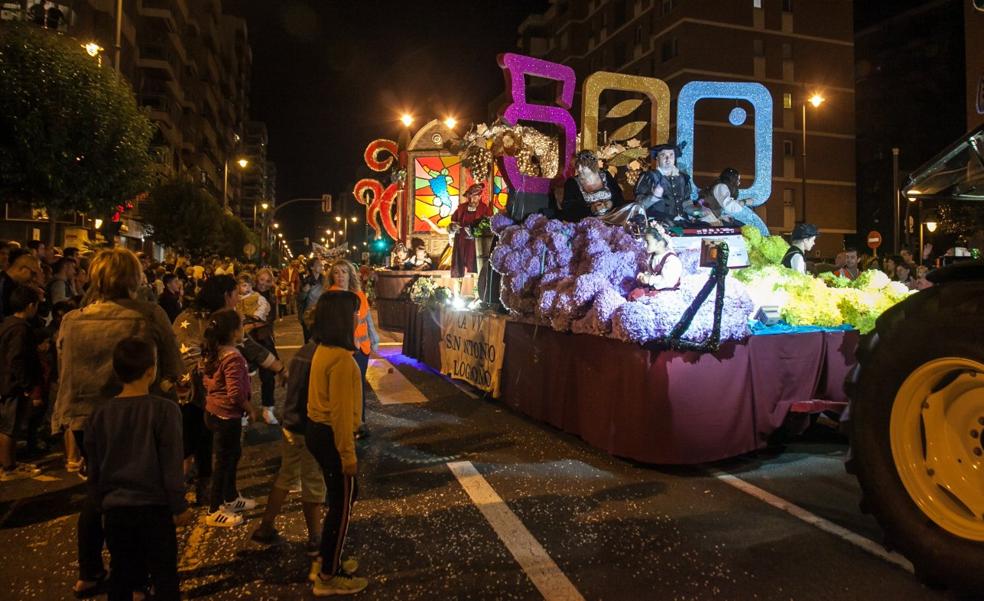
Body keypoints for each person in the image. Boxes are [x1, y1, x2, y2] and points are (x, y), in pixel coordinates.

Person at [55, 247, 183, 598]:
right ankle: (141, 575)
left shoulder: (73, 319)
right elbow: (173, 364)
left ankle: (91, 571)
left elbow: (62, 372)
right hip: (141, 413)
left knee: (98, 492)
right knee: (142, 495)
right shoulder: (149, 314)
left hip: (86, 419)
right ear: (135, 278)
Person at [84, 337, 192, 601]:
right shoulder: (164, 410)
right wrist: (179, 505)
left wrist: (99, 502)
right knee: (164, 573)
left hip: (116, 509)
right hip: (154, 509)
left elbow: (94, 464)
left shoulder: (99, 414)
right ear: (150, 371)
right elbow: (171, 464)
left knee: (121, 574)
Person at [173, 275, 285, 507]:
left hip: (215, 401)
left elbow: (249, 346)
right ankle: (186, 501)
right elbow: (189, 362)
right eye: (235, 294)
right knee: (196, 448)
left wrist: (279, 368)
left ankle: (225, 495)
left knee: (226, 452)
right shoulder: (192, 320)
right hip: (195, 398)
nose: (238, 299)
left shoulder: (226, 319)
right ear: (226, 295)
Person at [305, 291, 368, 596]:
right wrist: (348, 455)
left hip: (318, 431)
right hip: (332, 435)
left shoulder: (324, 349)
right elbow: (342, 415)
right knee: (342, 504)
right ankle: (328, 575)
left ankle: (325, 558)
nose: (357, 318)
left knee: (341, 497)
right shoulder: (342, 361)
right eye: (353, 313)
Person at [202, 309, 258, 527]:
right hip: (227, 416)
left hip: (214, 411)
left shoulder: (214, 352)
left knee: (232, 456)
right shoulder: (233, 356)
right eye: (241, 325)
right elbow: (235, 393)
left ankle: (231, 497)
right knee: (224, 461)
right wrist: (249, 407)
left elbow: (207, 382)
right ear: (234, 331)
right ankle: (215, 509)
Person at [327, 260, 379, 437]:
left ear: (350, 274)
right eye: (336, 272)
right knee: (341, 388)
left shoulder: (359, 294)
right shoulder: (329, 296)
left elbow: (367, 319)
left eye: (344, 272)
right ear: (332, 276)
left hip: (361, 350)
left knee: (358, 388)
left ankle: (359, 423)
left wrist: (374, 338)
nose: (340, 276)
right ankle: (341, 424)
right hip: (340, 350)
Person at [0, 285, 43, 481]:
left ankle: (11, 462)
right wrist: (27, 386)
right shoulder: (20, 329)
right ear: (30, 306)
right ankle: (8, 467)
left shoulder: (8, 323)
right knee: (11, 426)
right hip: (13, 385)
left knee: (10, 426)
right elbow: (17, 359)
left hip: (7, 383)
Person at [634, 143, 693, 222]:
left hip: (682, 222)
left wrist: (696, 212)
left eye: (671, 155)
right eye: (663, 155)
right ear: (657, 158)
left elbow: (686, 203)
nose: (668, 158)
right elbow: (638, 206)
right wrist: (654, 197)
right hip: (658, 223)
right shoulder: (649, 176)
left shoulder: (683, 178)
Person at [561, 150, 625, 222]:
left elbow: (619, 197)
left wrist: (611, 203)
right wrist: (591, 209)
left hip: (612, 217)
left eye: (583, 166)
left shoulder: (606, 175)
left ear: (592, 166)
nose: (579, 169)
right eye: (577, 165)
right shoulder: (571, 183)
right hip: (588, 222)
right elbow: (568, 210)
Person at [253, 268, 281, 425]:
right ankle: (243, 411)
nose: (263, 283)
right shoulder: (247, 293)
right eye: (261, 280)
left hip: (264, 340)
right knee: (243, 376)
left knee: (268, 375)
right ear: (256, 279)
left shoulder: (271, 297)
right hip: (246, 339)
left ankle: (268, 408)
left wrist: (255, 323)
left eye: (267, 280)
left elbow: (270, 318)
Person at [449, 183, 494, 278]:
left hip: (476, 244)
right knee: (459, 267)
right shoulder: (461, 208)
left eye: (475, 197)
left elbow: (489, 227)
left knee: (475, 266)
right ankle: (458, 290)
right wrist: (453, 227)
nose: (472, 200)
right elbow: (451, 224)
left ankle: (476, 288)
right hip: (461, 242)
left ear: (480, 196)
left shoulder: (485, 209)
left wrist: (476, 230)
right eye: (470, 197)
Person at [628, 225, 683, 301]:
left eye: (647, 242)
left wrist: (650, 279)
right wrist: (645, 276)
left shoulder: (671, 260)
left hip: (666, 290)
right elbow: (652, 272)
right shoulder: (653, 256)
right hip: (654, 287)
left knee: (642, 299)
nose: (644, 245)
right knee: (633, 294)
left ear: (659, 244)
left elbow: (667, 281)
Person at [711, 168, 769, 236]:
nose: (739, 182)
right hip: (710, 220)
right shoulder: (721, 187)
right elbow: (729, 206)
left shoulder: (721, 187)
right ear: (732, 179)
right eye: (737, 179)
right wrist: (744, 202)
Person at [0, 249, 42, 317]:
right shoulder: (3, 285)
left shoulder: (15, 284)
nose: (34, 278)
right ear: (23, 269)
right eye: (33, 273)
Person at [298, 260, 325, 343]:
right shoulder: (306, 280)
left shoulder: (325, 280)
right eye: (318, 265)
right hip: (308, 315)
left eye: (321, 265)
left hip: (322, 314)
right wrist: (304, 291)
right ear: (312, 267)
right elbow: (300, 299)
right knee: (309, 341)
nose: (321, 266)